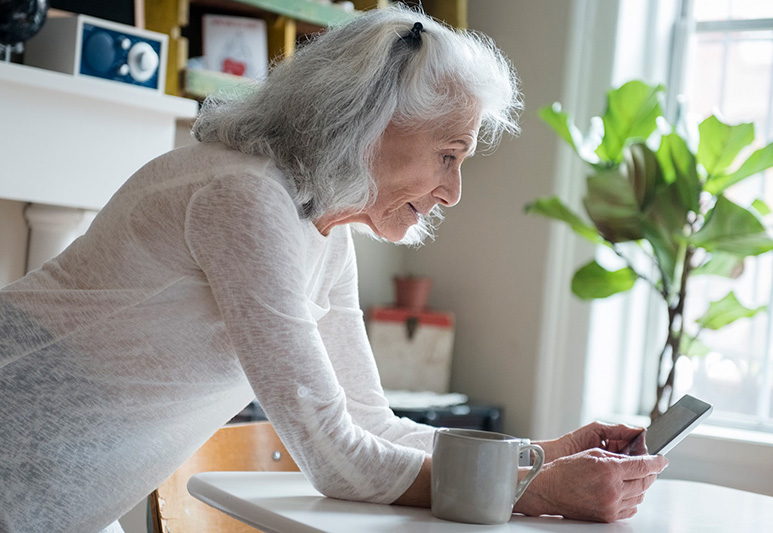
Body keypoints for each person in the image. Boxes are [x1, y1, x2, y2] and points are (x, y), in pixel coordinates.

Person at [0, 5, 666, 531]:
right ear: (369, 122)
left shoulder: (321, 226)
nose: (453, 190)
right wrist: (539, 489)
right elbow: (337, 457)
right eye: (448, 154)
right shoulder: (245, 197)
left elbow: (371, 423)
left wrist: (545, 453)